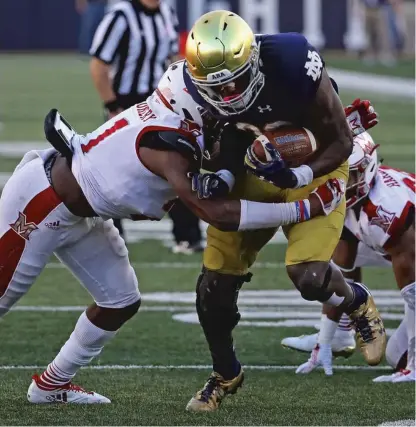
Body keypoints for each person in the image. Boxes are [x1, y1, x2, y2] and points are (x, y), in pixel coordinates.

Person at [0, 92, 342, 404]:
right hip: (41, 203)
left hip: (86, 214)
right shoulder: (170, 146)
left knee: (120, 301)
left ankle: (52, 384)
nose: (225, 141)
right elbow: (218, 215)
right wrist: (302, 209)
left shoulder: (182, 119)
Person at [154, 10, 385, 411]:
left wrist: (295, 176)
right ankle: (224, 373)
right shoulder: (182, 86)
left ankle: (355, 300)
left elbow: (340, 140)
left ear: (254, 61)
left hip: (312, 163)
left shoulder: (294, 61)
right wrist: (221, 177)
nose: (228, 96)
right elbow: (218, 143)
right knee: (213, 287)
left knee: (309, 277)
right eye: (217, 87)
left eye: (236, 82)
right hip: (248, 165)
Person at [282, 135, 415, 382]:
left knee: (401, 357)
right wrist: (325, 339)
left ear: (367, 169)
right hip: (399, 249)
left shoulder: (383, 211)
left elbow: (413, 291)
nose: (339, 182)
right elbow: (341, 270)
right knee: (331, 259)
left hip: (411, 260)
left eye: (348, 174)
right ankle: (341, 333)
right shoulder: (353, 203)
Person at [89, 0, 201, 242]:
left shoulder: (166, 14)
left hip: (158, 103)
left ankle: (188, 236)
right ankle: (109, 236)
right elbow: (98, 65)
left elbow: (173, 59)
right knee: (114, 175)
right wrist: (111, 106)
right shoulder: (121, 16)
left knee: (178, 164)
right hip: (125, 104)